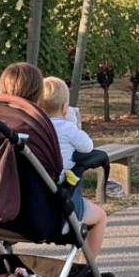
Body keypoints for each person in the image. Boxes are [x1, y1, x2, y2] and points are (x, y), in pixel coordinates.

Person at [39, 76, 109, 256]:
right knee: (100, 217)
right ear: (64, 108)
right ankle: (87, 270)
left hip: (35, 202)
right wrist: (72, 124)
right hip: (62, 205)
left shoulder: (33, 129)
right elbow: (88, 146)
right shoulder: (68, 129)